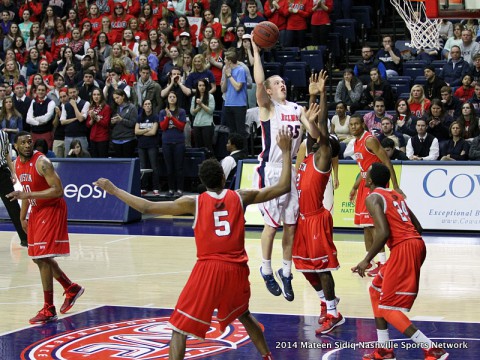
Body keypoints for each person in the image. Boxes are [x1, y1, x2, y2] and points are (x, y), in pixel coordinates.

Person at [93, 129, 295, 360]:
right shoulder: (240, 196)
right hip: (237, 270)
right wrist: (287, 151)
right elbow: (283, 187)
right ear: (222, 178)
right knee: (245, 315)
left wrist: (114, 190)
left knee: (179, 329)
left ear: (202, 182)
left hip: (209, 270)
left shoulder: (193, 202)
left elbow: (147, 207)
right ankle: (267, 357)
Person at [352, 162, 449, 360]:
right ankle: (384, 349)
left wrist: (366, 260)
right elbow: (418, 227)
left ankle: (432, 349)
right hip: (415, 244)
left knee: (387, 308)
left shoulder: (372, 197)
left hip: (404, 249)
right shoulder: (396, 196)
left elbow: (383, 232)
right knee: (375, 290)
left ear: (369, 180)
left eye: (367, 173)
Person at [252, 35, 320, 302]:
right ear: (268, 91)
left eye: (283, 82)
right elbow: (258, 80)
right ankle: (266, 269)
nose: (282, 85)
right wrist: (256, 51)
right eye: (277, 83)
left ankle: (286, 271)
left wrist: (313, 121)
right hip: (270, 169)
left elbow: (313, 135)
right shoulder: (267, 107)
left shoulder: (297, 107)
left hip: (289, 169)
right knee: (272, 225)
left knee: (291, 225)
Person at [7, 131, 84, 324]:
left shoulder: (42, 162)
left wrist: (28, 196)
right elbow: (25, 192)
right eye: (23, 143)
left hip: (52, 208)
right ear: (16, 147)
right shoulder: (16, 164)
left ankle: (49, 308)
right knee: (39, 258)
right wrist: (22, 215)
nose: (27, 145)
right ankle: (70, 287)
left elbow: (58, 191)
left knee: (41, 257)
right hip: (37, 209)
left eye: (29, 142)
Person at [294, 71, 344, 335]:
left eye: (319, 139)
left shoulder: (322, 157)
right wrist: (311, 95)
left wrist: (323, 93)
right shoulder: (307, 155)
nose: (313, 138)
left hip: (316, 218)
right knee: (303, 265)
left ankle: (334, 313)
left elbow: (321, 125)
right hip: (302, 219)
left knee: (322, 268)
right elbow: (312, 125)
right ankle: (328, 302)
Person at [349, 114, 402, 277]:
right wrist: (354, 187)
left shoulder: (369, 140)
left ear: (363, 124)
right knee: (365, 226)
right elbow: (363, 170)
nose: (353, 127)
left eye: (356, 124)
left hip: (376, 185)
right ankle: (370, 262)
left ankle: (384, 263)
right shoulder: (355, 142)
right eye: (351, 124)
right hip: (366, 185)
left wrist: (396, 186)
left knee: (373, 226)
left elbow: (387, 162)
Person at [0, 129, 28, 246]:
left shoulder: (3, 135)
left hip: (2, 173)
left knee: (13, 207)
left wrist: (13, 172)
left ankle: (25, 238)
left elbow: (7, 154)